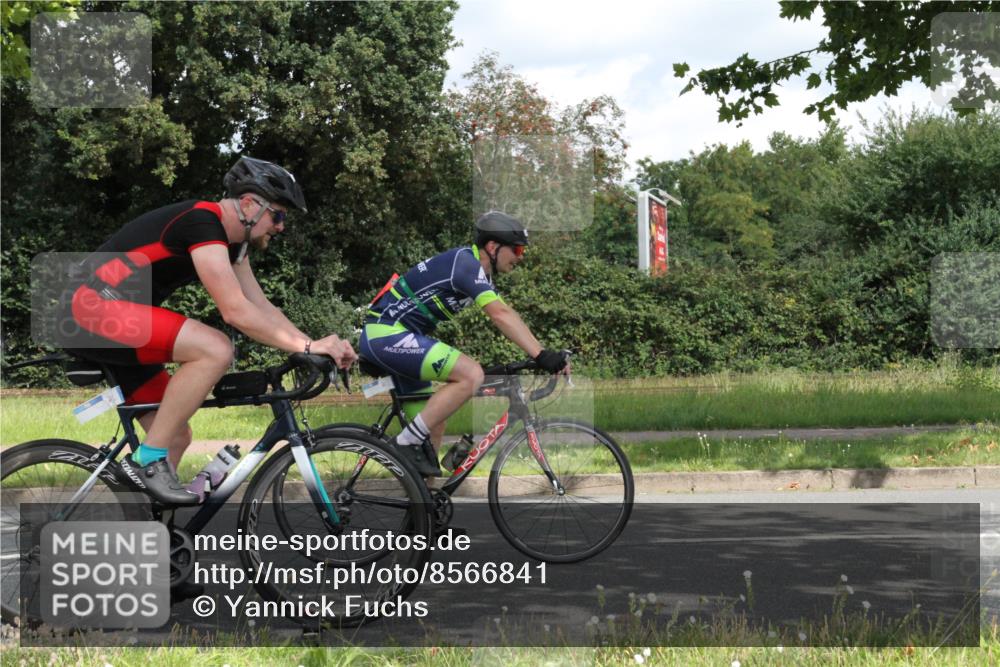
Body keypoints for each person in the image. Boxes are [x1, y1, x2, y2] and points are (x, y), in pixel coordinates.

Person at [62, 157, 356, 504]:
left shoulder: (233, 245)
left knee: (174, 436)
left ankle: (152, 526)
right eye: (278, 216)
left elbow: (260, 306)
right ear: (249, 204)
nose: (281, 227)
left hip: (117, 321)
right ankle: (146, 462)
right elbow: (235, 311)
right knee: (214, 348)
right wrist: (307, 347)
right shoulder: (203, 222)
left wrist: (310, 344)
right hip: (87, 308)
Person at [359, 211, 569, 476]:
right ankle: (403, 443)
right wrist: (540, 354)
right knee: (471, 374)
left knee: (434, 424)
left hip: (399, 336)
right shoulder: (466, 264)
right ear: (492, 246)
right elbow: (499, 315)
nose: (520, 257)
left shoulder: (479, 274)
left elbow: (507, 313)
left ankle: (423, 497)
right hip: (386, 334)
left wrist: (542, 353)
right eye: (517, 249)